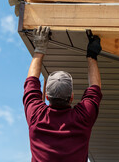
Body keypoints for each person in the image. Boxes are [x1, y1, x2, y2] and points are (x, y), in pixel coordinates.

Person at [23, 26, 103, 162]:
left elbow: (31, 83)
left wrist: (39, 49)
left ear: (47, 97)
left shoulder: (37, 116)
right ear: (71, 97)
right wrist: (91, 56)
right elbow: (94, 89)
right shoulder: (81, 118)